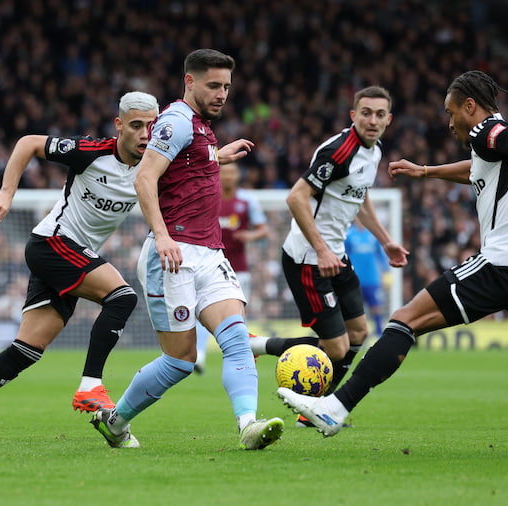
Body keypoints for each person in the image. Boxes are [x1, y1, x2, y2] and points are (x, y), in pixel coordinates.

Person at [278, 70, 508, 454]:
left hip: (503, 264)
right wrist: (427, 171)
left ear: (469, 106)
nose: (449, 121)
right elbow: (477, 169)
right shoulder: (495, 147)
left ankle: (335, 409)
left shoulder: (487, 131)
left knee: (404, 320)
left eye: (450, 111)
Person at [0, 91, 159, 439]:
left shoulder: (151, 167)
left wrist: (219, 157)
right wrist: (7, 193)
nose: (144, 134)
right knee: (122, 297)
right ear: (119, 125)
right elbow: (28, 143)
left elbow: (196, 162)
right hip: (52, 244)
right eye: (137, 125)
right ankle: (91, 385)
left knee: (27, 350)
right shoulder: (91, 152)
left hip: (71, 254)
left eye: (151, 127)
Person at [89, 49, 284, 450]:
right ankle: (116, 420)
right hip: (172, 255)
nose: (222, 94)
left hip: (211, 253)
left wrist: (215, 155)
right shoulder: (176, 121)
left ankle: (248, 424)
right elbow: (145, 178)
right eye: (213, 85)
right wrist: (161, 236)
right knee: (180, 361)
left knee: (234, 338)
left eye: (227, 87)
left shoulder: (199, 127)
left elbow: (186, 167)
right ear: (189, 82)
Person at [249, 86, 408, 416]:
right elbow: (295, 197)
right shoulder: (338, 151)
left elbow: (359, 197)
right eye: (366, 113)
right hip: (308, 258)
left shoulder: (374, 151)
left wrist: (385, 240)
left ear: (388, 119)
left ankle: (321, 409)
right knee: (337, 348)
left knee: (359, 333)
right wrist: (321, 250)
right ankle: (259, 345)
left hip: (335, 255)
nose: (373, 120)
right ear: (354, 115)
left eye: (380, 114)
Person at [194, 161, 268, 374]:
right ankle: (199, 355)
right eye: (224, 172)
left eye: (231, 173)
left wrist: (250, 235)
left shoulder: (247, 201)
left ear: (237, 176)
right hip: (209, 265)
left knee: (237, 314)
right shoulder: (208, 197)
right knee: (203, 308)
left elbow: (263, 229)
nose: (227, 176)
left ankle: (239, 358)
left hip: (238, 268)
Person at [345, 218, 390, 340]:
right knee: (356, 309)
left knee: (376, 306)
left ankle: (379, 333)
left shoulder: (372, 235)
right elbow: (344, 254)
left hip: (372, 278)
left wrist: (387, 271)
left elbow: (380, 255)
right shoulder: (349, 235)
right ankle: (356, 335)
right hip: (355, 279)